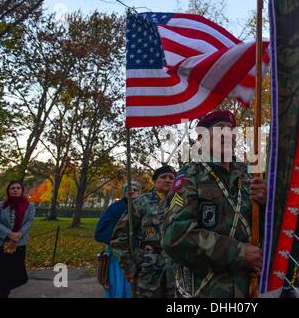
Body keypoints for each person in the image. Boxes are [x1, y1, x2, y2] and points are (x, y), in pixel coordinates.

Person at [162, 110, 267, 298]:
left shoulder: (250, 175)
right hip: (208, 290)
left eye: (231, 130)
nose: (228, 134)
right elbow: (175, 236)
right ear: (201, 137)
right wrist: (239, 253)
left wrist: (267, 203)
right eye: (220, 129)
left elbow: (270, 228)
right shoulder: (190, 176)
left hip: (251, 288)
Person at [111, 166, 177, 298]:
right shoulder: (141, 203)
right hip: (147, 270)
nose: (168, 180)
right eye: (163, 177)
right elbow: (119, 237)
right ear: (154, 181)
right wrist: (128, 267)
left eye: (171, 178)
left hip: (176, 270)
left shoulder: (183, 202)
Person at [94, 181, 141, 298]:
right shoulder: (115, 208)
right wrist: (119, 242)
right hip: (117, 255)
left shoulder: (141, 206)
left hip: (137, 254)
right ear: (124, 193)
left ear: (139, 192)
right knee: (118, 286)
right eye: (129, 190)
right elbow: (101, 232)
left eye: (135, 190)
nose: (132, 192)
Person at [0, 181, 35, 298]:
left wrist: (19, 234)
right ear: (8, 191)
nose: (15, 190)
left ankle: (4, 295)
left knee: (10, 275)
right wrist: (9, 234)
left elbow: (29, 221)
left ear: (22, 190)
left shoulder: (30, 206)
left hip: (18, 245)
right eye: (12, 188)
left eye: (18, 188)